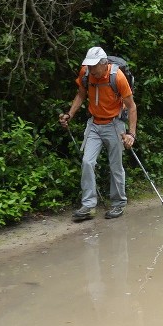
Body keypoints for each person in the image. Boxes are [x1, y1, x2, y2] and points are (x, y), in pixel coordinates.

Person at [59, 47, 138, 221]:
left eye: (94, 66)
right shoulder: (86, 73)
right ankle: (88, 206)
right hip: (94, 123)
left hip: (114, 124)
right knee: (87, 162)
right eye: (89, 65)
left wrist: (131, 134)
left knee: (116, 166)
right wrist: (69, 114)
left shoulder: (117, 77)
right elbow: (80, 95)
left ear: (104, 64)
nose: (91, 69)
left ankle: (118, 204)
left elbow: (131, 106)